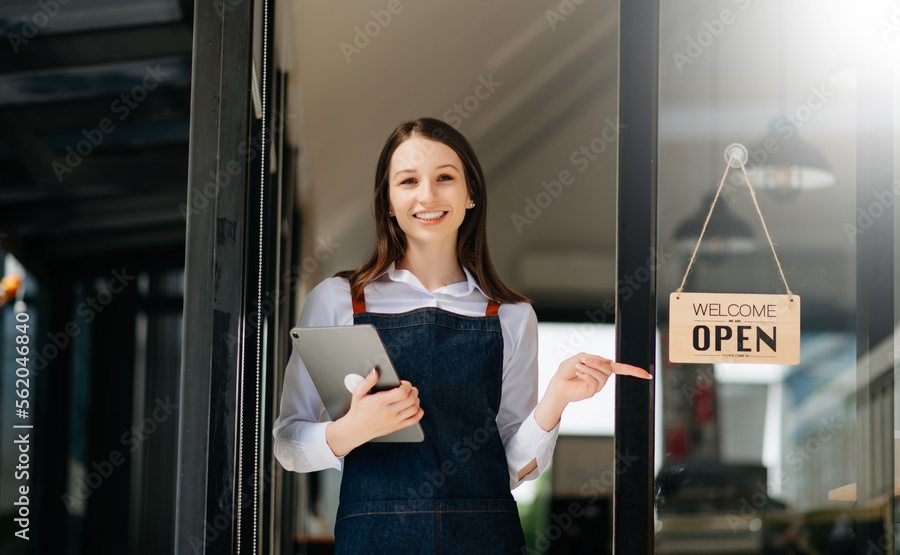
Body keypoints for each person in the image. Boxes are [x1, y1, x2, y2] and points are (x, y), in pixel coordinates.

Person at [272, 117, 651, 553]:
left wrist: (556, 399)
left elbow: (507, 468)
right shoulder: (341, 300)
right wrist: (350, 431)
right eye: (409, 180)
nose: (428, 195)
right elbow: (287, 442)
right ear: (388, 201)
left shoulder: (510, 315)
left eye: (445, 178)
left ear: (470, 194)